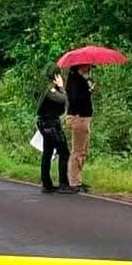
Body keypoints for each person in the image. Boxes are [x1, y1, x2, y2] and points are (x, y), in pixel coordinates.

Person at [36, 64, 74, 194]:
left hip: (49, 123)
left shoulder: (51, 89)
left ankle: (46, 183)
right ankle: (63, 183)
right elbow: (63, 100)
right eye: (60, 75)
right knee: (63, 152)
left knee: (48, 152)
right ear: (56, 76)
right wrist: (62, 87)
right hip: (50, 125)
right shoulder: (51, 91)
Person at [65, 64, 96, 192]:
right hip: (79, 117)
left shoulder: (80, 80)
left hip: (83, 117)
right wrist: (88, 91)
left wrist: (89, 89)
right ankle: (74, 182)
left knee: (83, 151)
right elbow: (75, 99)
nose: (89, 69)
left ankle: (77, 180)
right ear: (81, 67)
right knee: (77, 151)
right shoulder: (75, 81)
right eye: (87, 67)